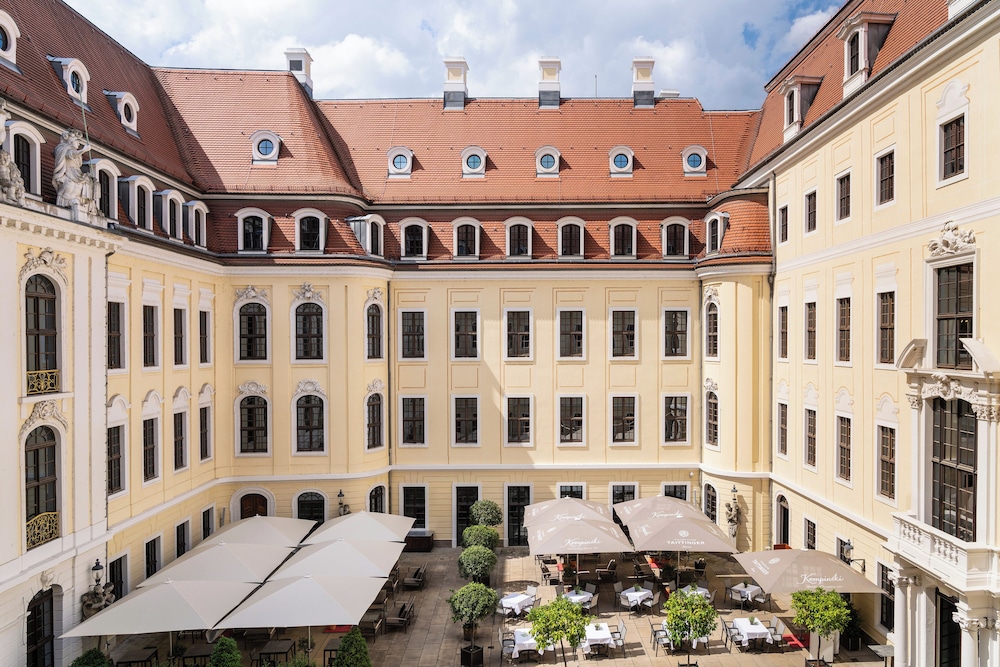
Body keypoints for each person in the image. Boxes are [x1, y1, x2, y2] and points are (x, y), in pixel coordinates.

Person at [52, 128, 95, 213]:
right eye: (77, 141)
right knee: (70, 187)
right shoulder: (63, 148)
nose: (79, 144)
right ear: (71, 141)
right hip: (69, 173)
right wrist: (83, 150)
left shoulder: (74, 151)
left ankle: (86, 205)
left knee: (89, 181)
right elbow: (70, 155)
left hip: (76, 173)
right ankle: (69, 202)